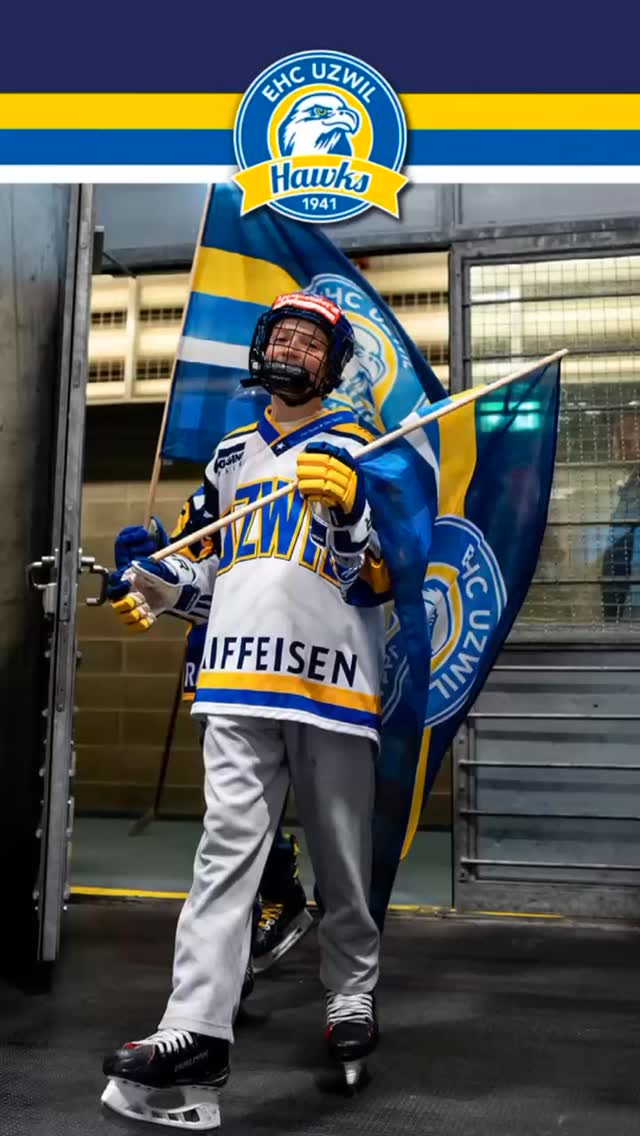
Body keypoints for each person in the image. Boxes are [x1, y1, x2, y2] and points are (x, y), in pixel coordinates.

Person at [101, 291, 391, 1129]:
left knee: (341, 863)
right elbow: (214, 569)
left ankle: (351, 996)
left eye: (311, 343)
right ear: (263, 348)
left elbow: (380, 576)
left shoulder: (366, 445)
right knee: (223, 856)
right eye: (285, 336)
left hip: (333, 684)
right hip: (234, 679)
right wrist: (156, 587)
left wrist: (352, 508)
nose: (294, 349)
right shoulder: (230, 456)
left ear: (331, 367)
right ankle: (195, 1028)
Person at [109, 505, 313, 987]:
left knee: (278, 807)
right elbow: (191, 577)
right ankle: (238, 948)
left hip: (291, 660)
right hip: (214, 665)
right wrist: (146, 573)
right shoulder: (210, 491)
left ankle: (286, 909)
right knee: (230, 813)